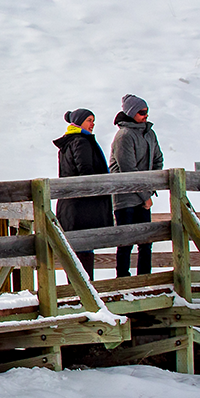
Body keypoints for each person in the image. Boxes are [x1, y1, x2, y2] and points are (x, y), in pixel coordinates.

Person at [108, 94, 164, 277]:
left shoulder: (149, 133)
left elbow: (158, 159)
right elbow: (128, 170)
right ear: (131, 113)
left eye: (146, 111)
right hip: (125, 198)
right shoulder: (123, 136)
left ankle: (144, 278)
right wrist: (146, 196)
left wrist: (150, 188)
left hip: (143, 196)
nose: (145, 115)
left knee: (146, 241)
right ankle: (123, 279)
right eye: (141, 112)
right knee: (126, 241)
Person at [53, 109, 112, 276]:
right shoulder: (81, 141)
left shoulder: (68, 142)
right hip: (83, 207)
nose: (92, 124)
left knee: (77, 252)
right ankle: (85, 293)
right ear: (79, 122)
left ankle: (80, 292)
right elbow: (86, 172)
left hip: (72, 206)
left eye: (93, 120)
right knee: (84, 250)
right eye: (89, 120)